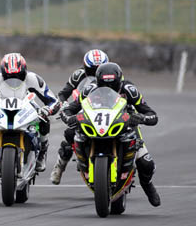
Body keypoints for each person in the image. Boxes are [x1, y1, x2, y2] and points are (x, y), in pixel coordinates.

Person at [59, 62, 160, 206]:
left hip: (125, 125)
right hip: (96, 124)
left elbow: (151, 113)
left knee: (146, 163)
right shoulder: (90, 89)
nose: (108, 90)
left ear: (119, 82)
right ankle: (84, 164)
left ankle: (148, 185)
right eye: (105, 87)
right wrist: (69, 117)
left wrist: (141, 118)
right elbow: (70, 108)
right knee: (73, 134)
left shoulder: (129, 89)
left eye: (112, 86)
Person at [0, 53, 59, 200]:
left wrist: (47, 109)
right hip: (1, 113)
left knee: (44, 121)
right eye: (8, 77)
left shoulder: (33, 79)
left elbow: (53, 100)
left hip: (25, 111)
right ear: (2, 73)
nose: (13, 79)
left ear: (24, 72)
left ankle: (42, 153)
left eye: (19, 76)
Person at [51, 48, 107, 184]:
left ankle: (138, 161)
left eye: (99, 69)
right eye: (92, 69)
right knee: (70, 133)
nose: (96, 73)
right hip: (83, 107)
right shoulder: (78, 75)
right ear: (85, 66)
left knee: (130, 131)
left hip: (108, 109)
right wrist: (64, 104)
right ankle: (59, 166)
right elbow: (63, 93)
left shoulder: (112, 74)